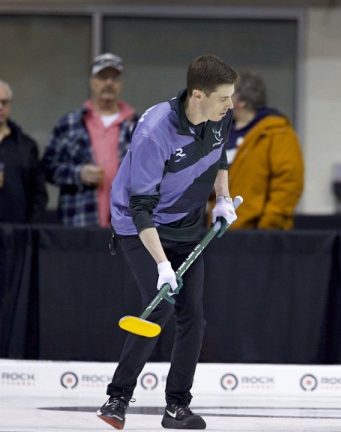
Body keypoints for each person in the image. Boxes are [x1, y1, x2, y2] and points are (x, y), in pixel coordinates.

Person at [97, 55, 238, 430]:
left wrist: (222, 199)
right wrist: (162, 265)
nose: (231, 105)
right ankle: (118, 398)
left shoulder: (220, 116)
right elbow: (140, 207)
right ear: (197, 95)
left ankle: (177, 406)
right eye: (224, 98)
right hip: (139, 226)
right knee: (158, 307)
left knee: (193, 316)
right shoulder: (153, 133)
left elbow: (219, 153)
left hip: (188, 224)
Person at [41, 53, 137, 227]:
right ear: (92, 82)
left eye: (114, 78)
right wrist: (78, 174)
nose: (108, 83)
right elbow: (47, 167)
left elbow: (158, 172)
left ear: (121, 84)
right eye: (102, 77)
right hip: (79, 223)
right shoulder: (69, 124)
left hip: (128, 225)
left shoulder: (139, 126)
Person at [226, 71, 304, 229]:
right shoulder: (222, 134)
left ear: (240, 100)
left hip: (258, 234)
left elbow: (288, 181)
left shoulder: (277, 132)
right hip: (219, 232)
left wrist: (270, 224)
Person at [0, 79, 48, 223]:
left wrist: (29, 230)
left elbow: (39, 194)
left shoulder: (26, 146)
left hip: (17, 234)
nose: (0, 106)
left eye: (4, 102)